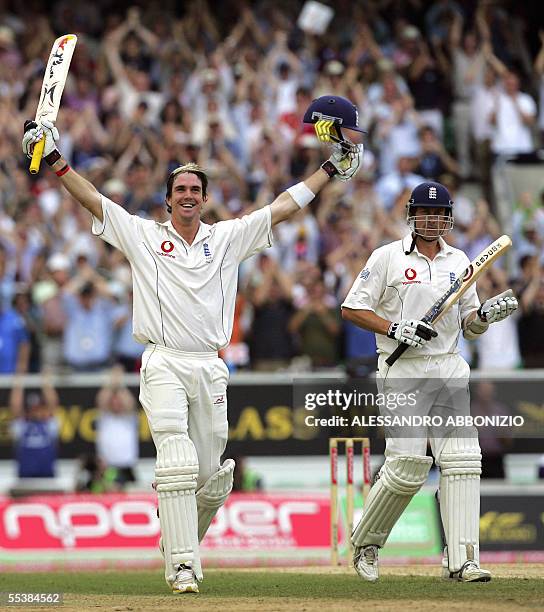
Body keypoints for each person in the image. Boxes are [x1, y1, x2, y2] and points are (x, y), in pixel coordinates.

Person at [22, 94, 364, 594]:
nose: (187, 195)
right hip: (162, 361)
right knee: (176, 461)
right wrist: (54, 159)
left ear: (204, 199)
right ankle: (183, 564)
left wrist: (330, 170)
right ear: (168, 199)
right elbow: (93, 199)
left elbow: (283, 206)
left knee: (211, 478)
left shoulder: (226, 238)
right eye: (179, 188)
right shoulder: (142, 235)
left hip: (210, 364)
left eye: (194, 189)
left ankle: (178, 539)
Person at [341, 181, 518, 583]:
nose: (433, 219)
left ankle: (462, 558)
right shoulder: (387, 257)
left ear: (449, 216)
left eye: (440, 213)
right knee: (406, 468)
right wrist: (394, 327)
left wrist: (486, 316)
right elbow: (351, 307)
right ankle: (366, 541)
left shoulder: (461, 262)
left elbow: (468, 326)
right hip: (402, 370)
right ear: (412, 216)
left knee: (461, 460)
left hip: (448, 368)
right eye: (426, 213)